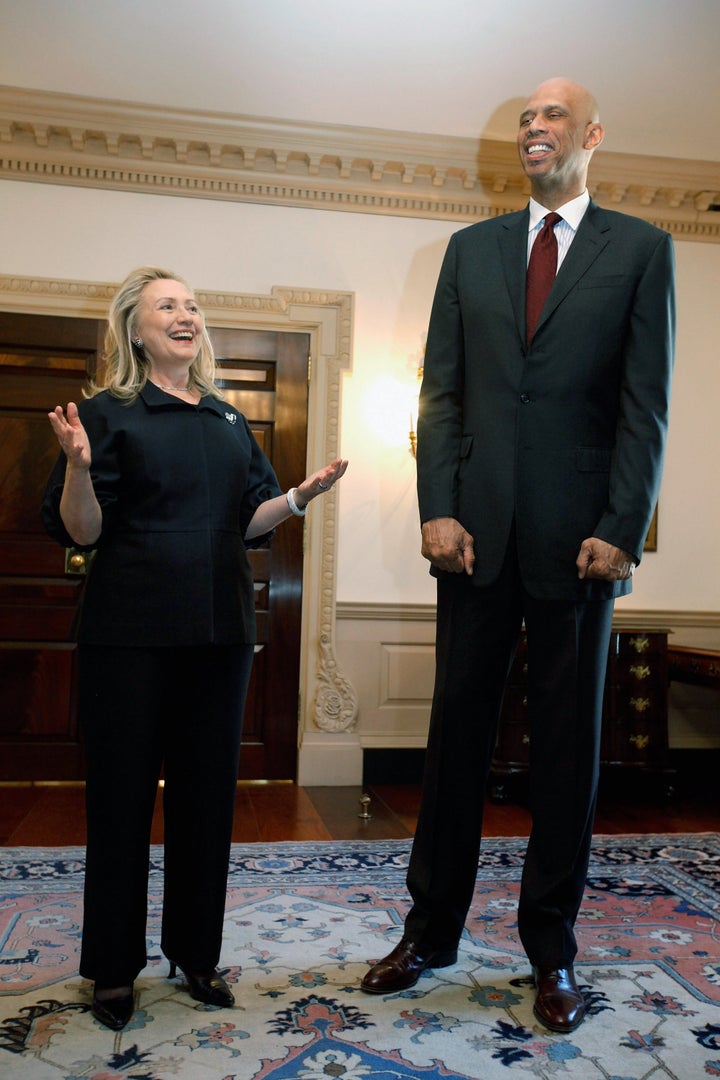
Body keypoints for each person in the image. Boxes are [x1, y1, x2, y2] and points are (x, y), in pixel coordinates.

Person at [361, 77, 675, 1033]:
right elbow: (440, 396)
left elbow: (643, 407)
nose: (532, 130)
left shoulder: (643, 250)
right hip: (474, 545)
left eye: (549, 118)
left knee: (567, 760)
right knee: (453, 743)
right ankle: (431, 932)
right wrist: (437, 508)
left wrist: (623, 527)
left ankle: (553, 952)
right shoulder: (470, 252)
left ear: (590, 135)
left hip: (581, 548)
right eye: (523, 121)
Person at [42, 266, 348, 1032]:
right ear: (137, 331)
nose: (186, 315)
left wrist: (301, 497)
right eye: (166, 307)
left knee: (208, 801)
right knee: (119, 802)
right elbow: (84, 530)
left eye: (191, 305)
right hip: (128, 633)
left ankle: (195, 954)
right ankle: (114, 968)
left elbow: (249, 519)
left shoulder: (228, 420)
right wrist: (79, 470)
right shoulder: (106, 416)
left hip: (219, 633)